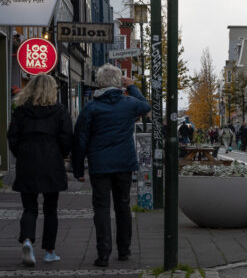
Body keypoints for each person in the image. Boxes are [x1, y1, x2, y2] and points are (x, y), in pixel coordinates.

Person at [72, 64, 152, 267]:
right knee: (123, 206)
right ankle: (124, 250)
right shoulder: (129, 103)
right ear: (119, 83)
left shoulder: (91, 107)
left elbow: (80, 138)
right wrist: (132, 86)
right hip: (124, 162)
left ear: (99, 83)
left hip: (100, 165)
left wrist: (78, 168)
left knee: (101, 208)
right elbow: (146, 106)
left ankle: (103, 254)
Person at [6, 74, 73, 266]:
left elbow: (12, 137)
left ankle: (27, 240)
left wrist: (21, 153)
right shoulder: (59, 110)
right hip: (52, 161)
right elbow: (67, 136)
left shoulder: (21, 110)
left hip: (27, 160)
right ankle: (49, 251)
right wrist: (62, 153)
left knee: (29, 207)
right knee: (51, 209)